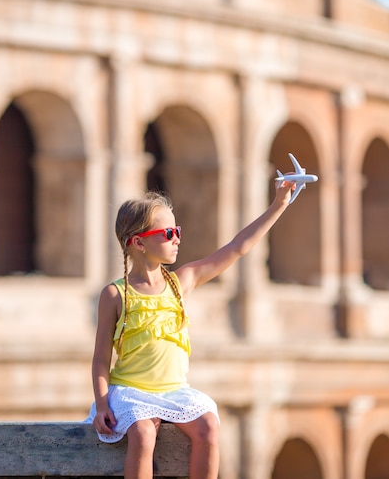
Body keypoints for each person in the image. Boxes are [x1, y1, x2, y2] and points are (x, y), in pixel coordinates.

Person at [86, 178, 295, 479]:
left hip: (174, 391)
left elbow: (237, 248)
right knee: (144, 434)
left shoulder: (181, 282)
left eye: (177, 231)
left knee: (209, 427)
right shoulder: (115, 295)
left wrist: (278, 205)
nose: (177, 239)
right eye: (168, 233)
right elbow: (100, 359)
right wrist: (103, 402)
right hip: (131, 392)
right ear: (139, 242)